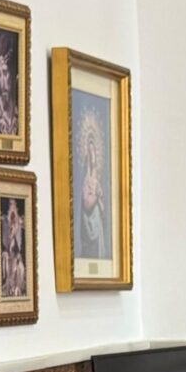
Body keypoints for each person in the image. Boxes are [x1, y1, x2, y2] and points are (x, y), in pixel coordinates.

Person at [72, 97, 113, 262]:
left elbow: (103, 208)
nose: (93, 154)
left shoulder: (99, 177)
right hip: (89, 224)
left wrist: (100, 200)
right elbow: (87, 205)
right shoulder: (86, 179)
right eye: (90, 151)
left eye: (94, 150)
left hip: (98, 225)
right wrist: (95, 197)